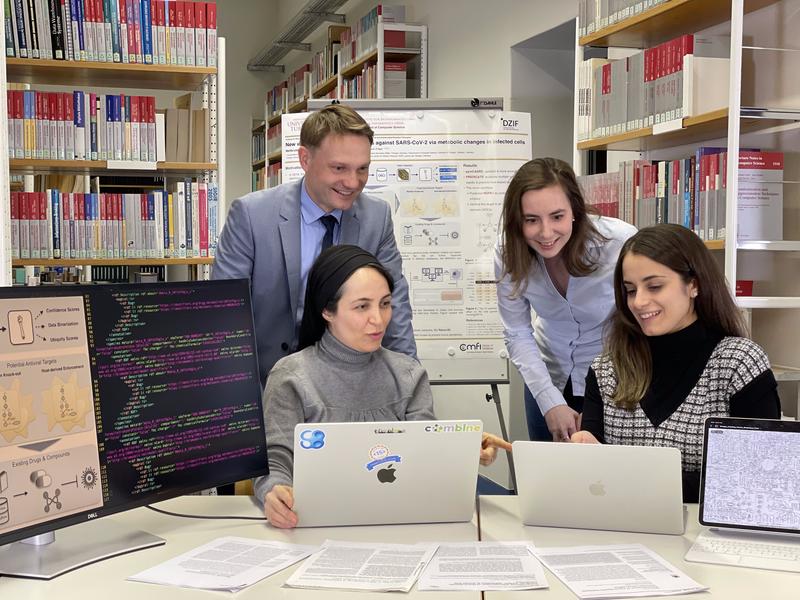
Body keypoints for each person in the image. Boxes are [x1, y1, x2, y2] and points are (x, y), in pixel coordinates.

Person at [258, 245, 512, 528]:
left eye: (385, 303)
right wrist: (274, 492)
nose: (378, 320)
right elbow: (275, 460)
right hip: (316, 527)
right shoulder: (291, 377)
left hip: (401, 522)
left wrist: (461, 449)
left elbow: (425, 456)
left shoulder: (408, 374)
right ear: (327, 311)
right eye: (362, 306)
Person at [572, 224, 781, 502]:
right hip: (626, 533)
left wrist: (635, 479)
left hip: (709, 538)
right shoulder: (607, 369)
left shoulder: (739, 364)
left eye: (655, 286)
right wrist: (580, 457)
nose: (639, 301)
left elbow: (757, 476)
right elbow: (594, 482)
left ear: (693, 284)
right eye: (630, 290)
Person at [212, 104, 415, 386]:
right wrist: (242, 401)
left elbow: (396, 305)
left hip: (348, 385)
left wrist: (410, 384)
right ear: (305, 159)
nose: (352, 182)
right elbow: (226, 317)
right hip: (267, 381)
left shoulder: (376, 217)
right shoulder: (251, 216)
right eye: (339, 168)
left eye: (362, 169)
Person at [495, 157, 636, 442]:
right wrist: (550, 402)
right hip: (547, 376)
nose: (546, 233)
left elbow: (638, 324)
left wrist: (599, 404)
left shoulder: (619, 243)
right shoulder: (508, 252)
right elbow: (517, 332)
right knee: (547, 478)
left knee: (602, 481)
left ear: (575, 210)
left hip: (614, 379)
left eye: (557, 216)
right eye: (531, 220)